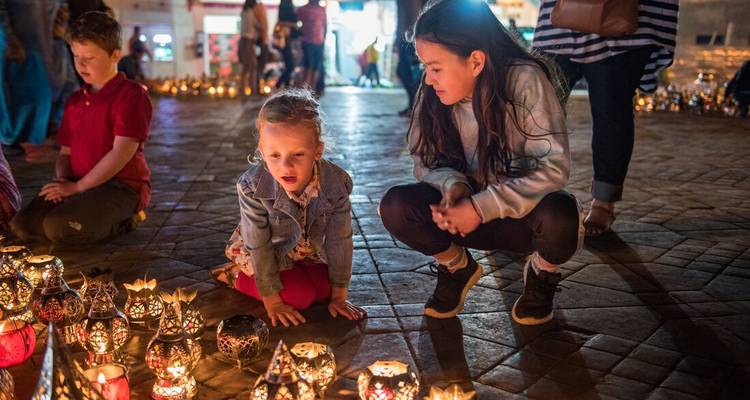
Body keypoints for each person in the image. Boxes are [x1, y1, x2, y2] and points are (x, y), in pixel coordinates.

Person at [379, 0, 583, 326]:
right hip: (460, 216)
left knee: (562, 217)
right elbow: (424, 158)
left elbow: (552, 168)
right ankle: (457, 267)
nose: (429, 79)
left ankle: (542, 276)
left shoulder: (524, 81)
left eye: (436, 67)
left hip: (520, 217)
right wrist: (453, 186)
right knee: (396, 206)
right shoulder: (433, 91)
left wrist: (480, 207)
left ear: (475, 61)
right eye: (425, 67)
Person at [210, 89, 365, 328]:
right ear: (262, 151)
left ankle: (300, 276)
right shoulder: (252, 186)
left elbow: (339, 239)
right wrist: (272, 301)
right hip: (266, 253)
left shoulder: (336, 183)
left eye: (298, 154)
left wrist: (339, 297)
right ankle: (235, 276)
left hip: (305, 251)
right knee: (299, 297)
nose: (286, 166)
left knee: (325, 290)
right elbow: (259, 245)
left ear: (318, 150)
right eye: (274, 155)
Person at [533, 0, 678, 236]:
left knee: (612, 110)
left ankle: (604, 200)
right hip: (561, 20)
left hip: (626, 20)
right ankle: (526, 192)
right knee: (537, 108)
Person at [10, 11, 152, 245]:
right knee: (23, 225)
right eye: (76, 56)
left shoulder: (130, 95)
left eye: (89, 57)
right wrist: (63, 181)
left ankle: (126, 219)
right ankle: (81, 208)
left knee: (60, 228)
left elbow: (120, 153)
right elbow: (66, 152)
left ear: (115, 55)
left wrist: (76, 188)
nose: (81, 64)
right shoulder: (75, 100)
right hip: (79, 182)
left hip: (119, 187)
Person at [2, 0, 57, 162]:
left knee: (41, 94)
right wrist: (9, 38)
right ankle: (11, 141)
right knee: (14, 95)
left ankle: (27, 140)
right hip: (15, 45)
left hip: (38, 44)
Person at [238, 0, 269, 95]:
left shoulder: (244, 12)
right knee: (252, 66)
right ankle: (252, 91)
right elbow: (256, 25)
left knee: (246, 67)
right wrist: (263, 24)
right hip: (248, 41)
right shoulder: (250, 12)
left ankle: (243, 90)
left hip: (243, 41)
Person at [297, 0, 326, 93]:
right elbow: (296, 25)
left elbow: (325, 25)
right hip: (307, 41)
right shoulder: (302, 9)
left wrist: (323, 39)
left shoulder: (321, 9)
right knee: (308, 67)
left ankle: (310, 91)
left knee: (314, 67)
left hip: (318, 41)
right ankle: (304, 91)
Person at [274, 0, 299, 89]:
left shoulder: (284, 9)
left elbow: (279, 23)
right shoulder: (289, 8)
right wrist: (293, 24)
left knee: (289, 65)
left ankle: (285, 85)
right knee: (290, 65)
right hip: (286, 40)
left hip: (286, 40)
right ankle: (281, 84)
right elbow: (281, 23)